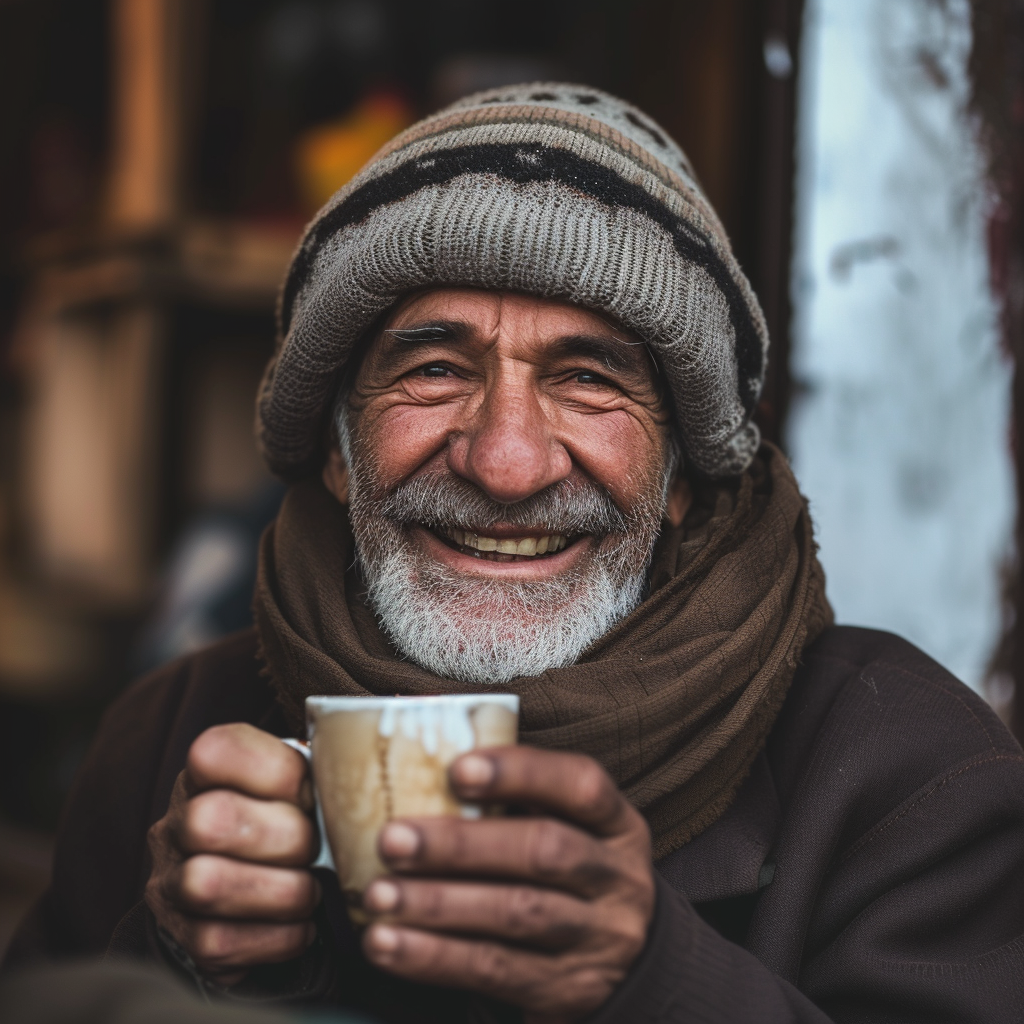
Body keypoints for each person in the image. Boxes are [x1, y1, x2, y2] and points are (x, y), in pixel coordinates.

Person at [6, 84, 1024, 1023]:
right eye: (435, 368)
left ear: (680, 481)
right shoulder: (168, 738)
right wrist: (173, 951)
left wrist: (653, 980)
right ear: (335, 450)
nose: (504, 463)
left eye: (589, 379)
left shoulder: (909, 778)